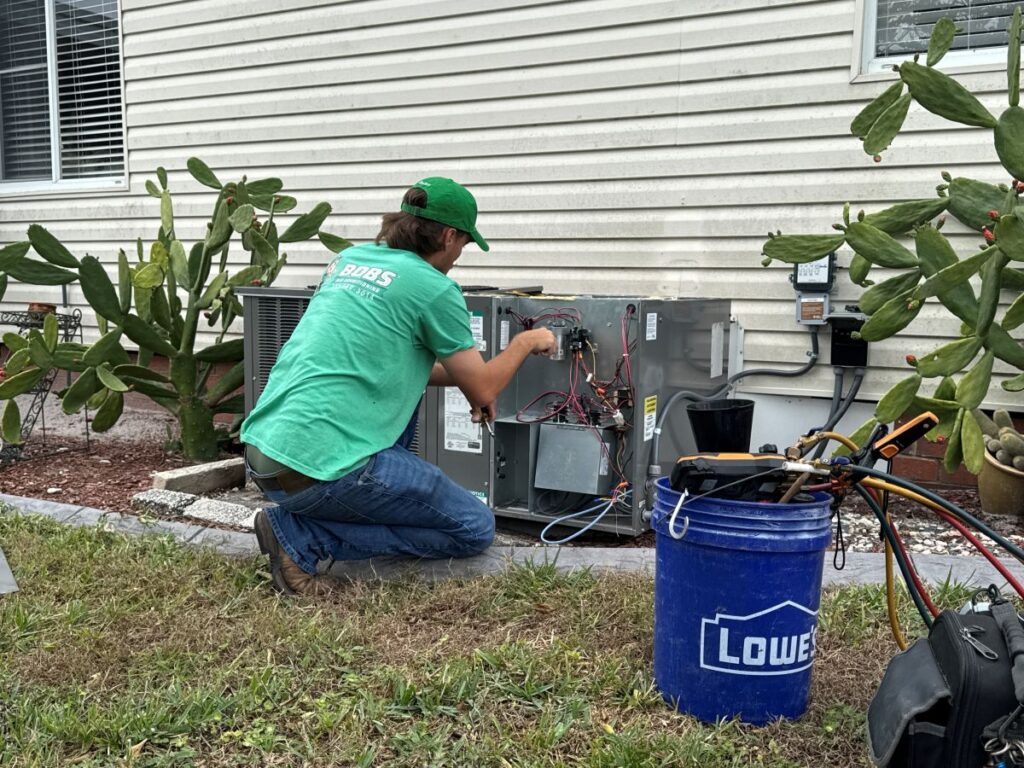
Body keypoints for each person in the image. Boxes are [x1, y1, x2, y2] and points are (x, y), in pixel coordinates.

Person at [241, 177, 557, 595]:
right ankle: (301, 537)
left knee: (407, 409)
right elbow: (485, 390)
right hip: (319, 472)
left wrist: (467, 383)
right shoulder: (433, 287)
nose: (458, 257)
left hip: (266, 458)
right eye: (462, 244)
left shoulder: (349, 261)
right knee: (473, 527)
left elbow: (395, 368)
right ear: (448, 236)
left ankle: (309, 520)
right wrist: (527, 341)